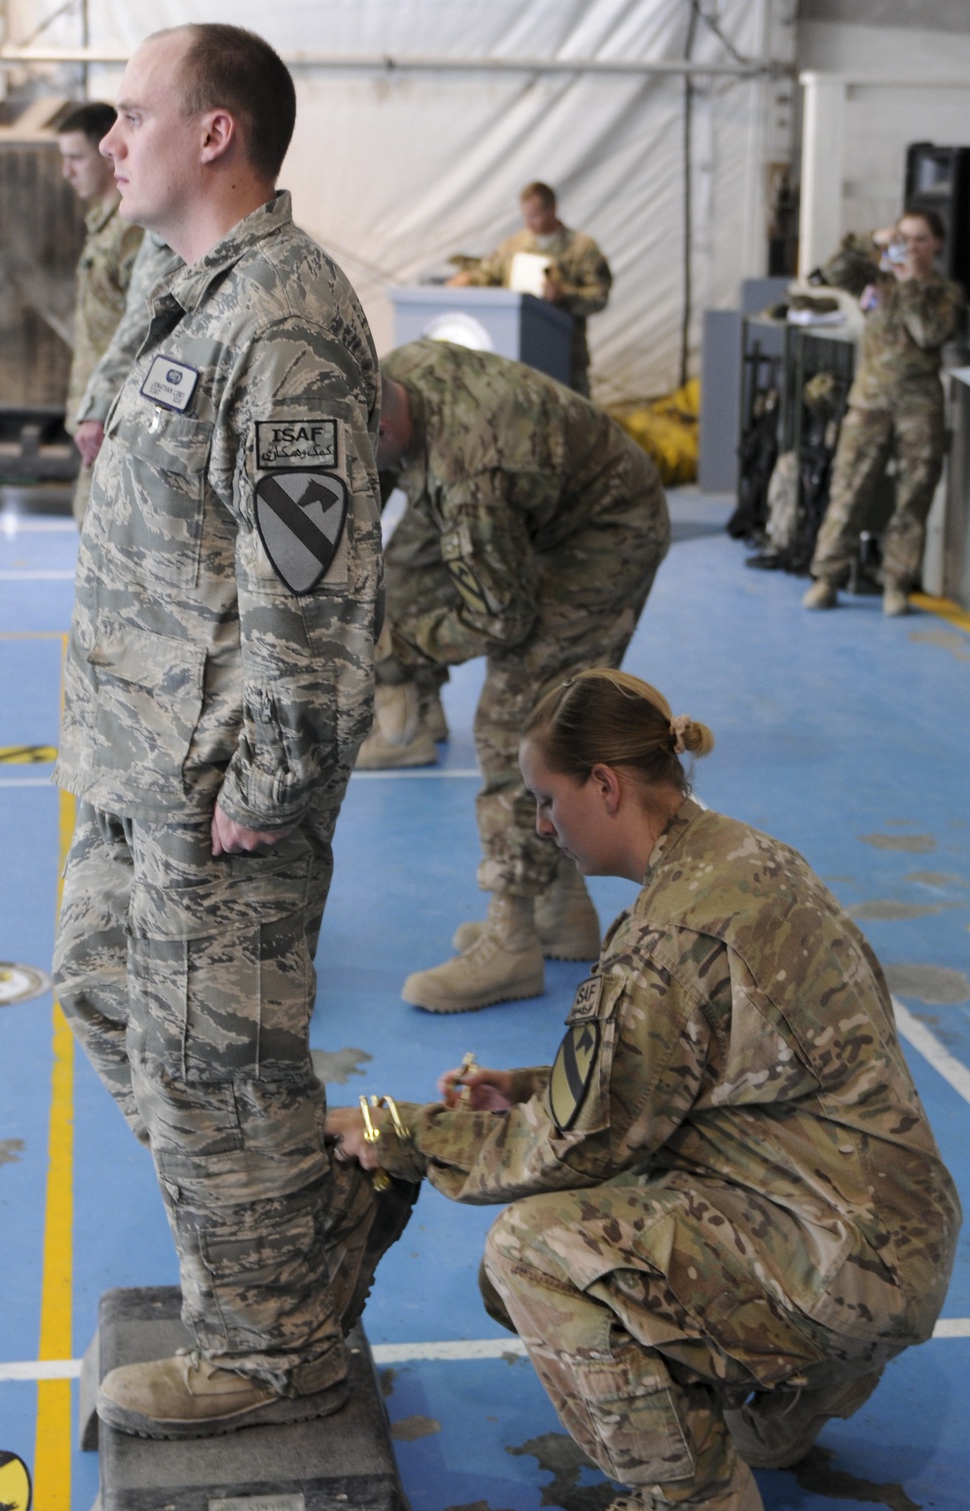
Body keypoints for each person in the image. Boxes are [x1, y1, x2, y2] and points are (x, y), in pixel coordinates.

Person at [328, 668, 960, 1511]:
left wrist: (391, 1126)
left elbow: (575, 1144)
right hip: (888, 1222)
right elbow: (697, 1070)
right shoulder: (737, 856)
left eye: (549, 801)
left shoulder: (668, 938)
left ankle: (690, 1496)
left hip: (837, 1255)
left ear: (606, 785)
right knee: (627, 1192)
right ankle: (784, 1400)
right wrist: (524, 1088)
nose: (546, 828)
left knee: (534, 1252)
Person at [52, 24, 384, 1438]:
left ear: (215, 135)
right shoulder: (183, 284)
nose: (110, 141)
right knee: (102, 989)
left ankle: (274, 1347)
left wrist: (274, 777)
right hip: (132, 757)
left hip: (218, 788)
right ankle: (297, 1220)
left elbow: (311, 590)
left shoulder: (289, 322)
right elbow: (102, 428)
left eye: (134, 116)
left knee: (217, 1062)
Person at [364, 338, 669, 1013]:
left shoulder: (474, 482)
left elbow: (502, 619)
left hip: (604, 533)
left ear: (385, 429)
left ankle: (513, 939)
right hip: (541, 494)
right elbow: (369, 492)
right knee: (399, 582)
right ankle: (564, 912)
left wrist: (408, 648)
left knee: (518, 722)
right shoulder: (399, 373)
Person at [803, 209, 965, 616]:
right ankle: (827, 577)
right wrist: (872, 239)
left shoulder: (946, 293)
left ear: (937, 244)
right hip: (869, 401)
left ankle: (896, 582)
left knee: (913, 498)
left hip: (919, 406)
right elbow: (833, 270)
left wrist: (911, 285)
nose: (911, 247)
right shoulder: (877, 279)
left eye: (921, 239)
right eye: (904, 238)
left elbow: (929, 333)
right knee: (849, 491)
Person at [57, 102, 145, 525]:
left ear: (107, 156)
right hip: (97, 417)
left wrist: (101, 406)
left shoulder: (130, 233)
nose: (66, 171)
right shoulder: (104, 227)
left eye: (76, 157)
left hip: (116, 421)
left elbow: (143, 327)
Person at [447, 181, 611, 396]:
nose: (529, 222)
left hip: (566, 356)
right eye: (525, 216)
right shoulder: (513, 246)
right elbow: (489, 274)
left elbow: (599, 296)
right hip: (515, 355)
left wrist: (565, 294)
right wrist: (468, 279)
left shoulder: (581, 248)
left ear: (552, 209)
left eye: (535, 215)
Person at [72, 230, 180, 480]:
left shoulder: (154, 227)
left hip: (129, 415)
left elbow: (142, 321)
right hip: (116, 408)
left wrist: (101, 401)